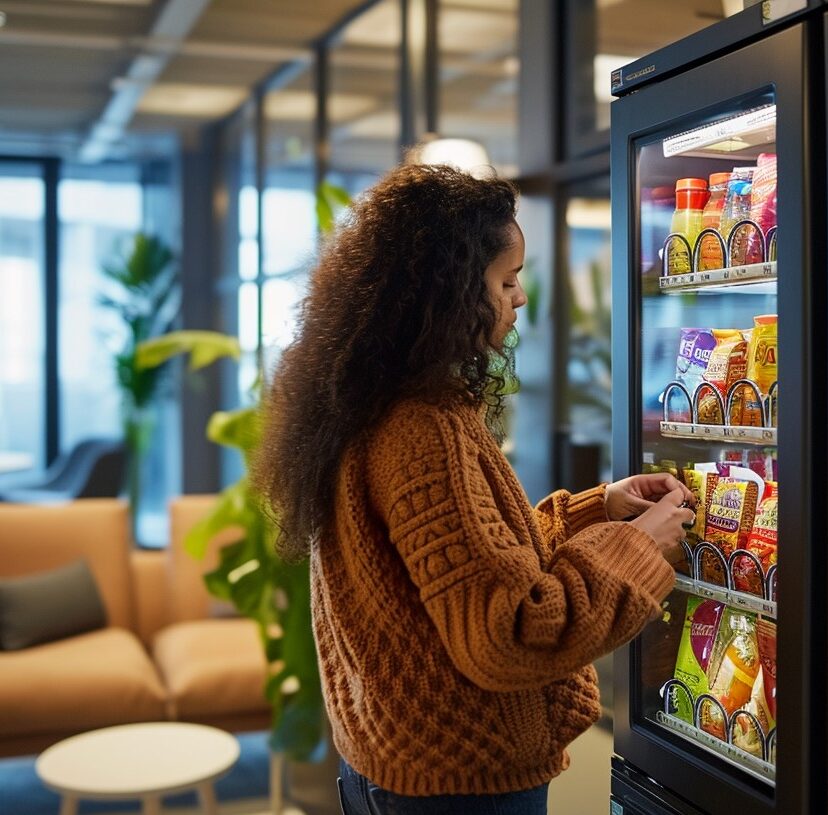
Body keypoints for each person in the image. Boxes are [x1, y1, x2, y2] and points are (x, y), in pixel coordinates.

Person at [253, 163, 697, 815]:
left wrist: (596, 509)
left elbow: (460, 567)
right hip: (455, 789)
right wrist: (633, 547)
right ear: (450, 291)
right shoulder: (422, 427)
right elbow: (511, 630)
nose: (519, 297)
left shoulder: (369, 402)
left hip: (391, 762)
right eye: (506, 279)